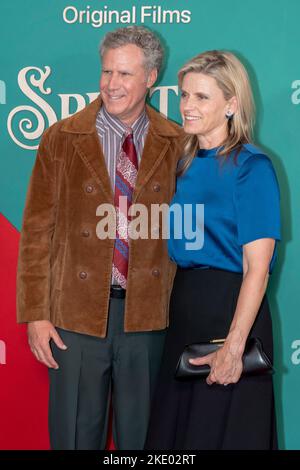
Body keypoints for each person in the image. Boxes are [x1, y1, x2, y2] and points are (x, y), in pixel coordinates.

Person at [16, 26, 182, 450]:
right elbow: (36, 231)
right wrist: (37, 313)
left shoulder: (179, 144)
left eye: (125, 74)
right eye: (107, 71)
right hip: (75, 318)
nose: (112, 84)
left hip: (147, 320)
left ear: (151, 76)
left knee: (144, 442)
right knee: (74, 436)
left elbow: (189, 234)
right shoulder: (62, 137)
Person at [145, 50, 281, 450]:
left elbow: (257, 268)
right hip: (185, 309)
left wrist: (233, 347)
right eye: (185, 95)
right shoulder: (184, 162)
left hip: (230, 311)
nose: (187, 106)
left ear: (231, 104)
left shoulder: (251, 166)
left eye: (202, 97)